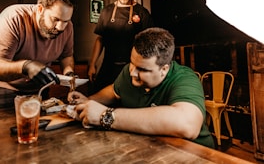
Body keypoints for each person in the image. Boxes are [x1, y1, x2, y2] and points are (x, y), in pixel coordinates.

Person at [68, 27, 215, 148]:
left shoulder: (185, 78)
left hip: (194, 154)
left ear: (164, 69)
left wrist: (106, 116)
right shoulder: (129, 72)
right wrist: (88, 101)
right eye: (132, 63)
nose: (133, 72)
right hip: (151, 149)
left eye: (143, 70)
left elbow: (187, 124)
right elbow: (114, 91)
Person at [0, 0, 76, 110]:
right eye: (55, 19)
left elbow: (66, 56)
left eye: (66, 21)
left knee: (38, 128)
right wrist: (26, 66)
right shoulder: (14, 17)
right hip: (4, 87)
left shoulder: (68, 27)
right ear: (40, 9)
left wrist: (69, 74)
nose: (61, 27)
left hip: (39, 88)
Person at [88, 0, 155, 95]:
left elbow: (149, 44)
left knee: (128, 101)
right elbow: (100, 39)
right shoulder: (106, 11)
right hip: (108, 66)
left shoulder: (142, 12)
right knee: (99, 97)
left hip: (131, 68)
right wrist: (92, 64)